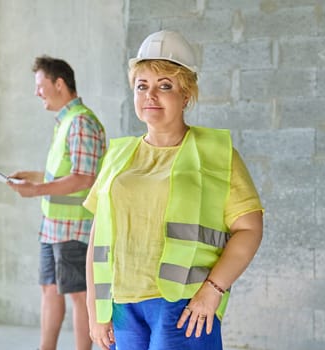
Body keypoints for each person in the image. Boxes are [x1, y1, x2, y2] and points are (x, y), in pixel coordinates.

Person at [84, 30, 264, 350]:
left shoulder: (216, 154)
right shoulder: (118, 156)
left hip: (184, 304)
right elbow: (97, 238)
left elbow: (249, 228)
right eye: (143, 86)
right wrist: (94, 311)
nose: (151, 95)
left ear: (186, 95)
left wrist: (213, 289)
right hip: (123, 305)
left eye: (165, 85)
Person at [7, 56, 106, 350]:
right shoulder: (65, 122)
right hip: (53, 228)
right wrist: (35, 177)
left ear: (59, 84)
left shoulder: (81, 123)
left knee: (79, 295)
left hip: (74, 228)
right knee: (49, 289)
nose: (37, 92)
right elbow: (65, 173)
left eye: (40, 85)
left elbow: (84, 178)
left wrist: (36, 190)